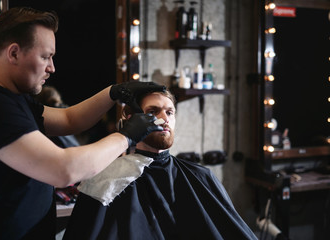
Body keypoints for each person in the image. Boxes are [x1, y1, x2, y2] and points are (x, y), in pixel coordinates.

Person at [0, 7, 165, 240]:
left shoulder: (14, 100)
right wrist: (126, 136)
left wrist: (114, 93)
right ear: (13, 53)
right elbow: (64, 170)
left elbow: (69, 119)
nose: (52, 68)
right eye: (46, 57)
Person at [63, 90, 258, 240]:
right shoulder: (106, 179)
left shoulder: (201, 176)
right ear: (131, 120)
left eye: (169, 112)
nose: (164, 119)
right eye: (153, 111)